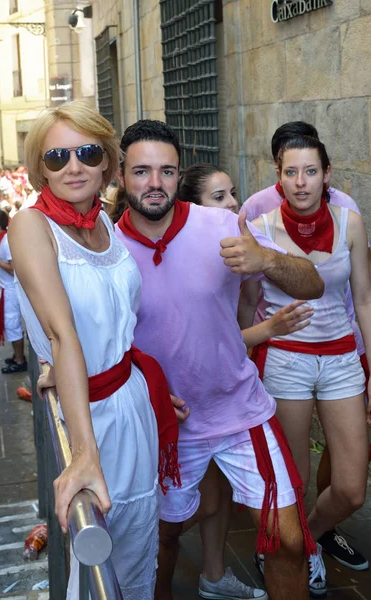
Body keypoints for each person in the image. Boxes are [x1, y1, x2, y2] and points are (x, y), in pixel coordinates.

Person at [113, 120, 324, 600]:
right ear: (121, 175)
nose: (154, 183)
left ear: (178, 174)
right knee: (163, 543)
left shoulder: (222, 225)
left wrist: (267, 261)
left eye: (166, 171)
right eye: (141, 171)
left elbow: (312, 283)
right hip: (166, 424)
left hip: (240, 411)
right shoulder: (107, 249)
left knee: (289, 541)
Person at [9, 101, 178, 598]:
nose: (74, 166)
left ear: (106, 160)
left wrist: (146, 386)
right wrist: (83, 453)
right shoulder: (30, 227)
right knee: (93, 561)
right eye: (57, 157)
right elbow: (62, 334)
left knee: (136, 543)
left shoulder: (108, 220)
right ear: (40, 169)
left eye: (85, 152)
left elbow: (115, 322)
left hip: (130, 403)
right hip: (86, 415)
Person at [172, 162, 316, 599]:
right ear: (193, 210)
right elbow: (201, 338)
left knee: (246, 515)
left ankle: (215, 577)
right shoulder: (167, 247)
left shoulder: (240, 239)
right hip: (181, 412)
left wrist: (265, 259)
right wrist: (267, 331)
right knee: (188, 517)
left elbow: (308, 281)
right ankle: (210, 576)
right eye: (219, 197)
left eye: (232, 193)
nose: (233, 204)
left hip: (235, 401)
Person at [239, 122, 370, 573]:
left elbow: (365, 300)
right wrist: (244, 357)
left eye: (310, 171)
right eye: (291, 172)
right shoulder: (259, 228)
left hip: (342, 360)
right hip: (286, 359)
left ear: (326, 173)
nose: (301, 182)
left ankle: (308, 536)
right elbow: (247, 303)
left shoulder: (349, 221)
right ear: (279, 175)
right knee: (290, 478)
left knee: (352, 487)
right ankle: (295, 552)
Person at [0, 209, 26, 374]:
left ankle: (20, 360)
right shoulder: (2, 240)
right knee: (11, 325)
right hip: (7, 289)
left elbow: (13, 269)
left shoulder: (6, 241)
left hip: (11, 290)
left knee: (12, 325)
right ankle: (17, 356)